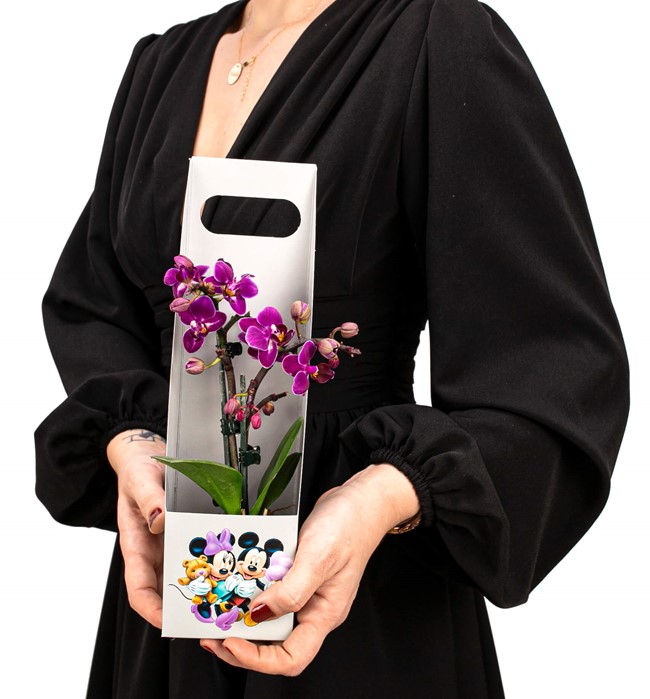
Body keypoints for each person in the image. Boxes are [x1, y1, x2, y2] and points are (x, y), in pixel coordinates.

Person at [34, 0, 629, 697]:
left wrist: (384, 496)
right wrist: (132, 442)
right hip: (181, 572)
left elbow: (551, 363)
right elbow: (95, 302)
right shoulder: (160, 67)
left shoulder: (440, 39)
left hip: (357, 586)